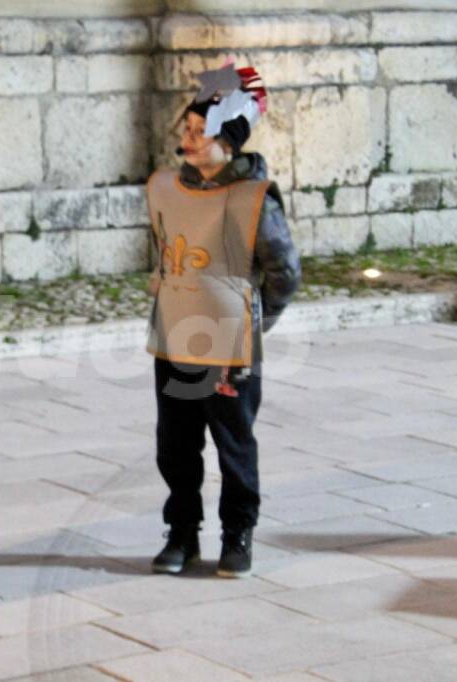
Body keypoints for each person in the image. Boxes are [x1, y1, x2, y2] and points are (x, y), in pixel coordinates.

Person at [146, 62, 301, 578]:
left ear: (227, 142)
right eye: (186, 129)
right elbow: (170, 250)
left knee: (233, 445)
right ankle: (182, 534)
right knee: (175, 445)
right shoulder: (167, 189)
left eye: (199, 131)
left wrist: (256, 321)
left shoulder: (254, 201)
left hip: (230, 347)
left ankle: (238, 535)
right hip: (174, 341)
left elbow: (285, 273)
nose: (187, 140)